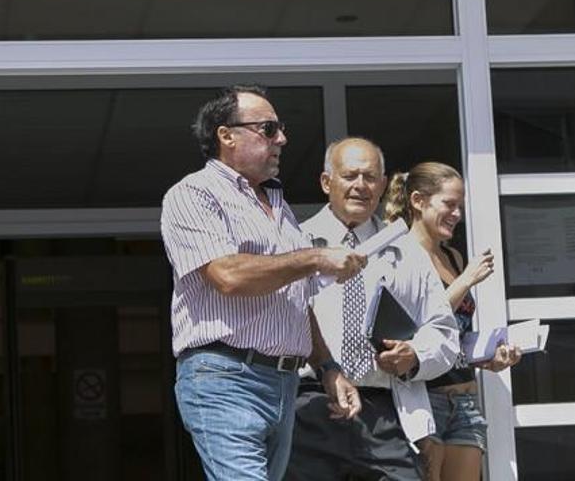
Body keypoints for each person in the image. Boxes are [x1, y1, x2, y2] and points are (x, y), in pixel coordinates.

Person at [160, 85, 365, 481]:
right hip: (224, 377)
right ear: (227, 135)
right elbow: (229, 276)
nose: (282, 139)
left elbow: (295, 299)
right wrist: (316, 257)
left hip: (284, 383)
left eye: (281, 129)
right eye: (268, 129)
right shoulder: (193, 195)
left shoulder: (278, 205)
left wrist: (327, 367)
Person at [287, 137, 460, 481]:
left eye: (370, 177)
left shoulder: (407, 250)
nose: (360, 186)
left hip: (385, 410)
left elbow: (444, 331)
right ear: (327, 183)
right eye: (350, 175)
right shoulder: (295, 243)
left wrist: (415, 355)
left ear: (382, 186)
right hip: (309, 407)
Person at [383, 162, 522, 481]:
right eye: (449, 204)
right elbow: (419, 330)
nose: (457, 214)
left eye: (460, 206)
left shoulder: (453, 258)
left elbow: (452, 337)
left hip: (465, 401)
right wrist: (465, 281)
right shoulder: (399, 256)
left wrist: (488, 356)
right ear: (418, 201)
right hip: (423, 399)